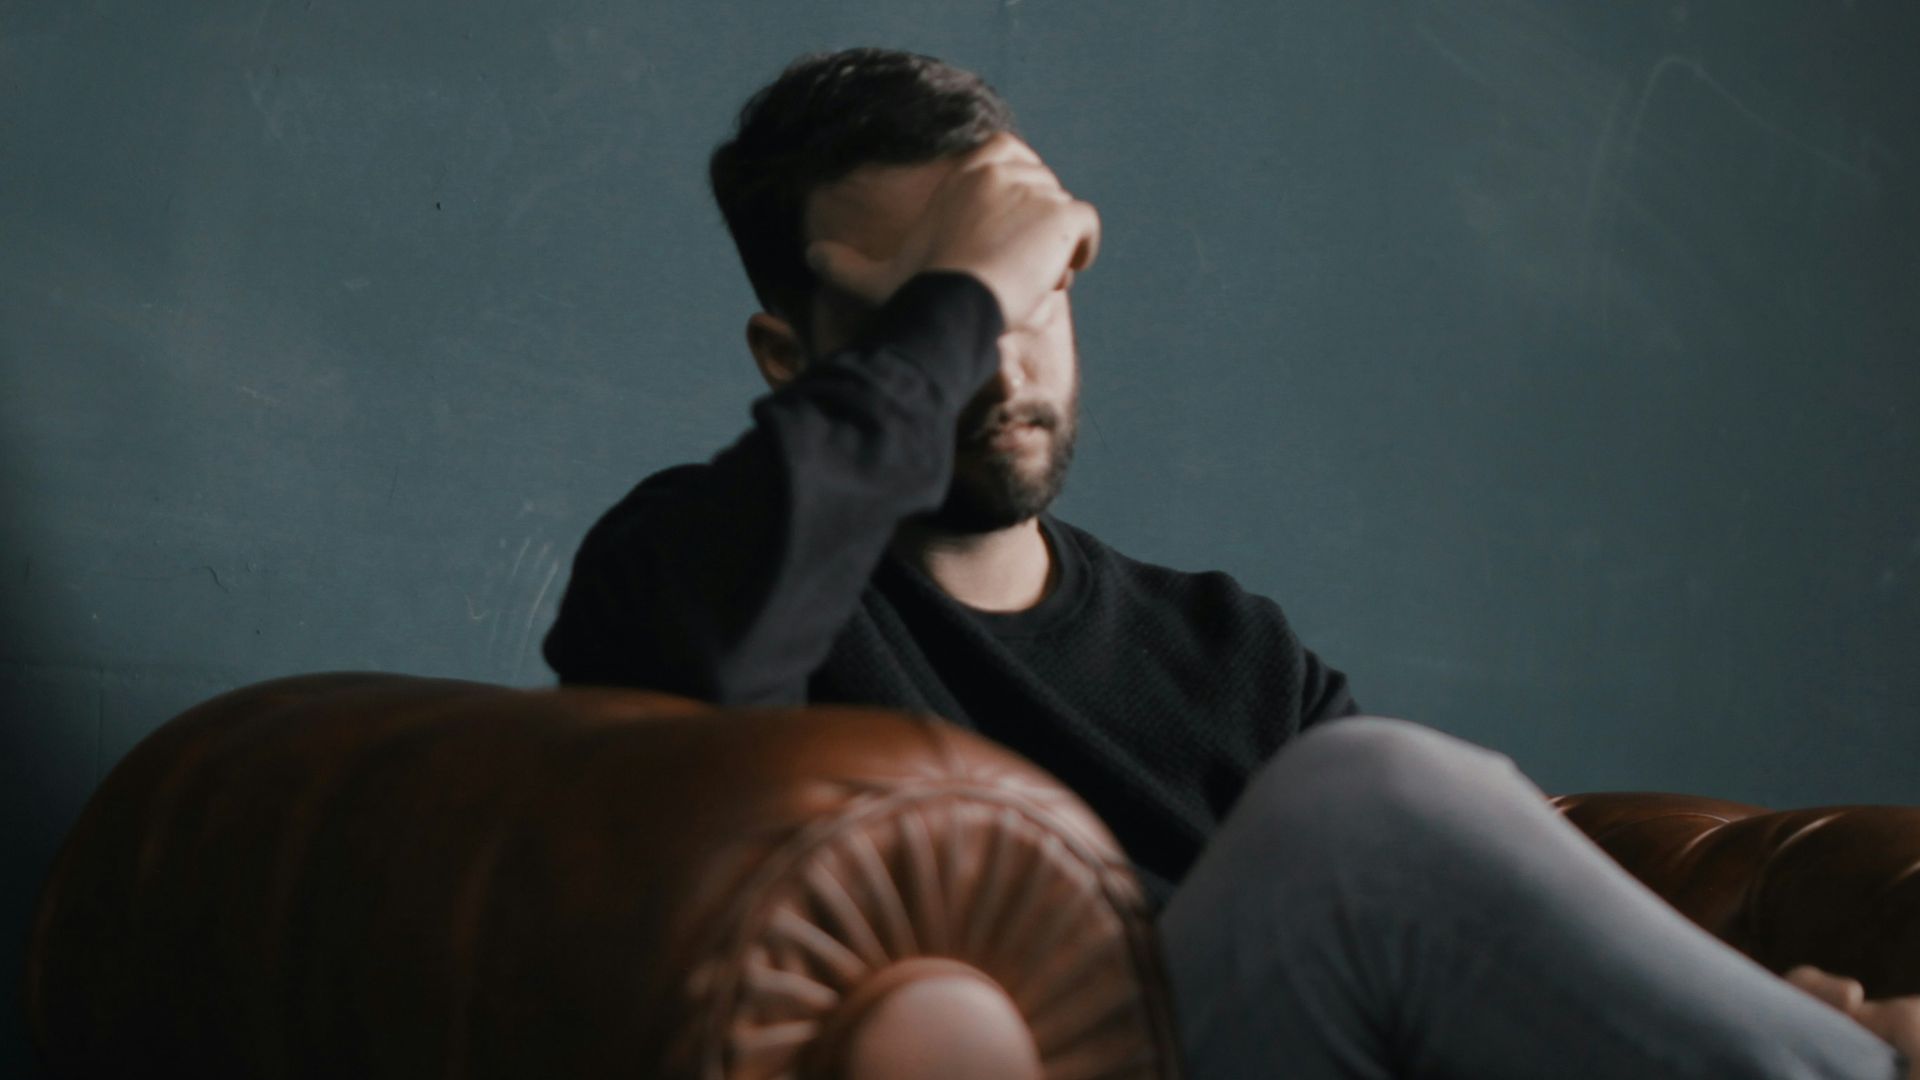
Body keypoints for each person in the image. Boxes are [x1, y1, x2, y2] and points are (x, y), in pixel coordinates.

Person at [543, 47, 1917, 1078]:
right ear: (793, 360)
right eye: (942, 310)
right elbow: (706, 673)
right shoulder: (690, 563)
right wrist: (964, 291)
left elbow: (1438, 963)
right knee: (1371, 797)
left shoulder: (1224, 651)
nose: (1007, 353)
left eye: (1037, 293)